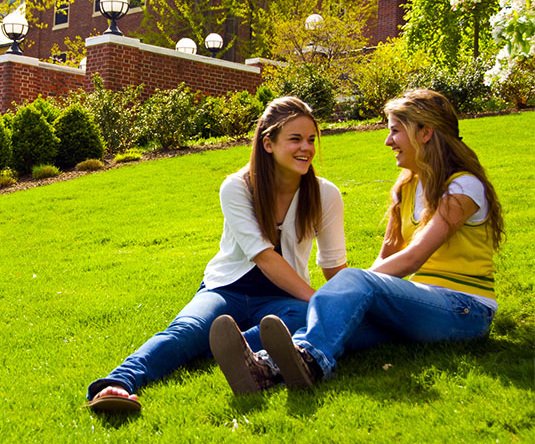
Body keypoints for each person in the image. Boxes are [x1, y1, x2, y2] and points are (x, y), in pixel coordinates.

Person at [210, 89, 504, 391]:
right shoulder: (407, 188)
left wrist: (348, 286)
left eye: (395, 131)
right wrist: (350, 295)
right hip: (419, 306)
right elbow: (387, 256)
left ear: (425, 133)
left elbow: (414, 257)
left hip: (465, 310)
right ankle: (262, 366)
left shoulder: (464, 186)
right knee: (340, 316)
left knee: (346, 293)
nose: (388, 141)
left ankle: (310, 360)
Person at [86, 96, 348, 411]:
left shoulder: (325, 194)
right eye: (295, 139)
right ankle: (117, 383)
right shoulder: (237, 187)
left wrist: (336, 304)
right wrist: (315, 299)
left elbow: (334, 265)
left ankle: (219, 351)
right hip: (226, 288)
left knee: (301, 316)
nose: (306, 148)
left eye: (310, 140)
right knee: (187, 330)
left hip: (282, 296)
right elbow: (263, 256)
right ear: (268, 143)